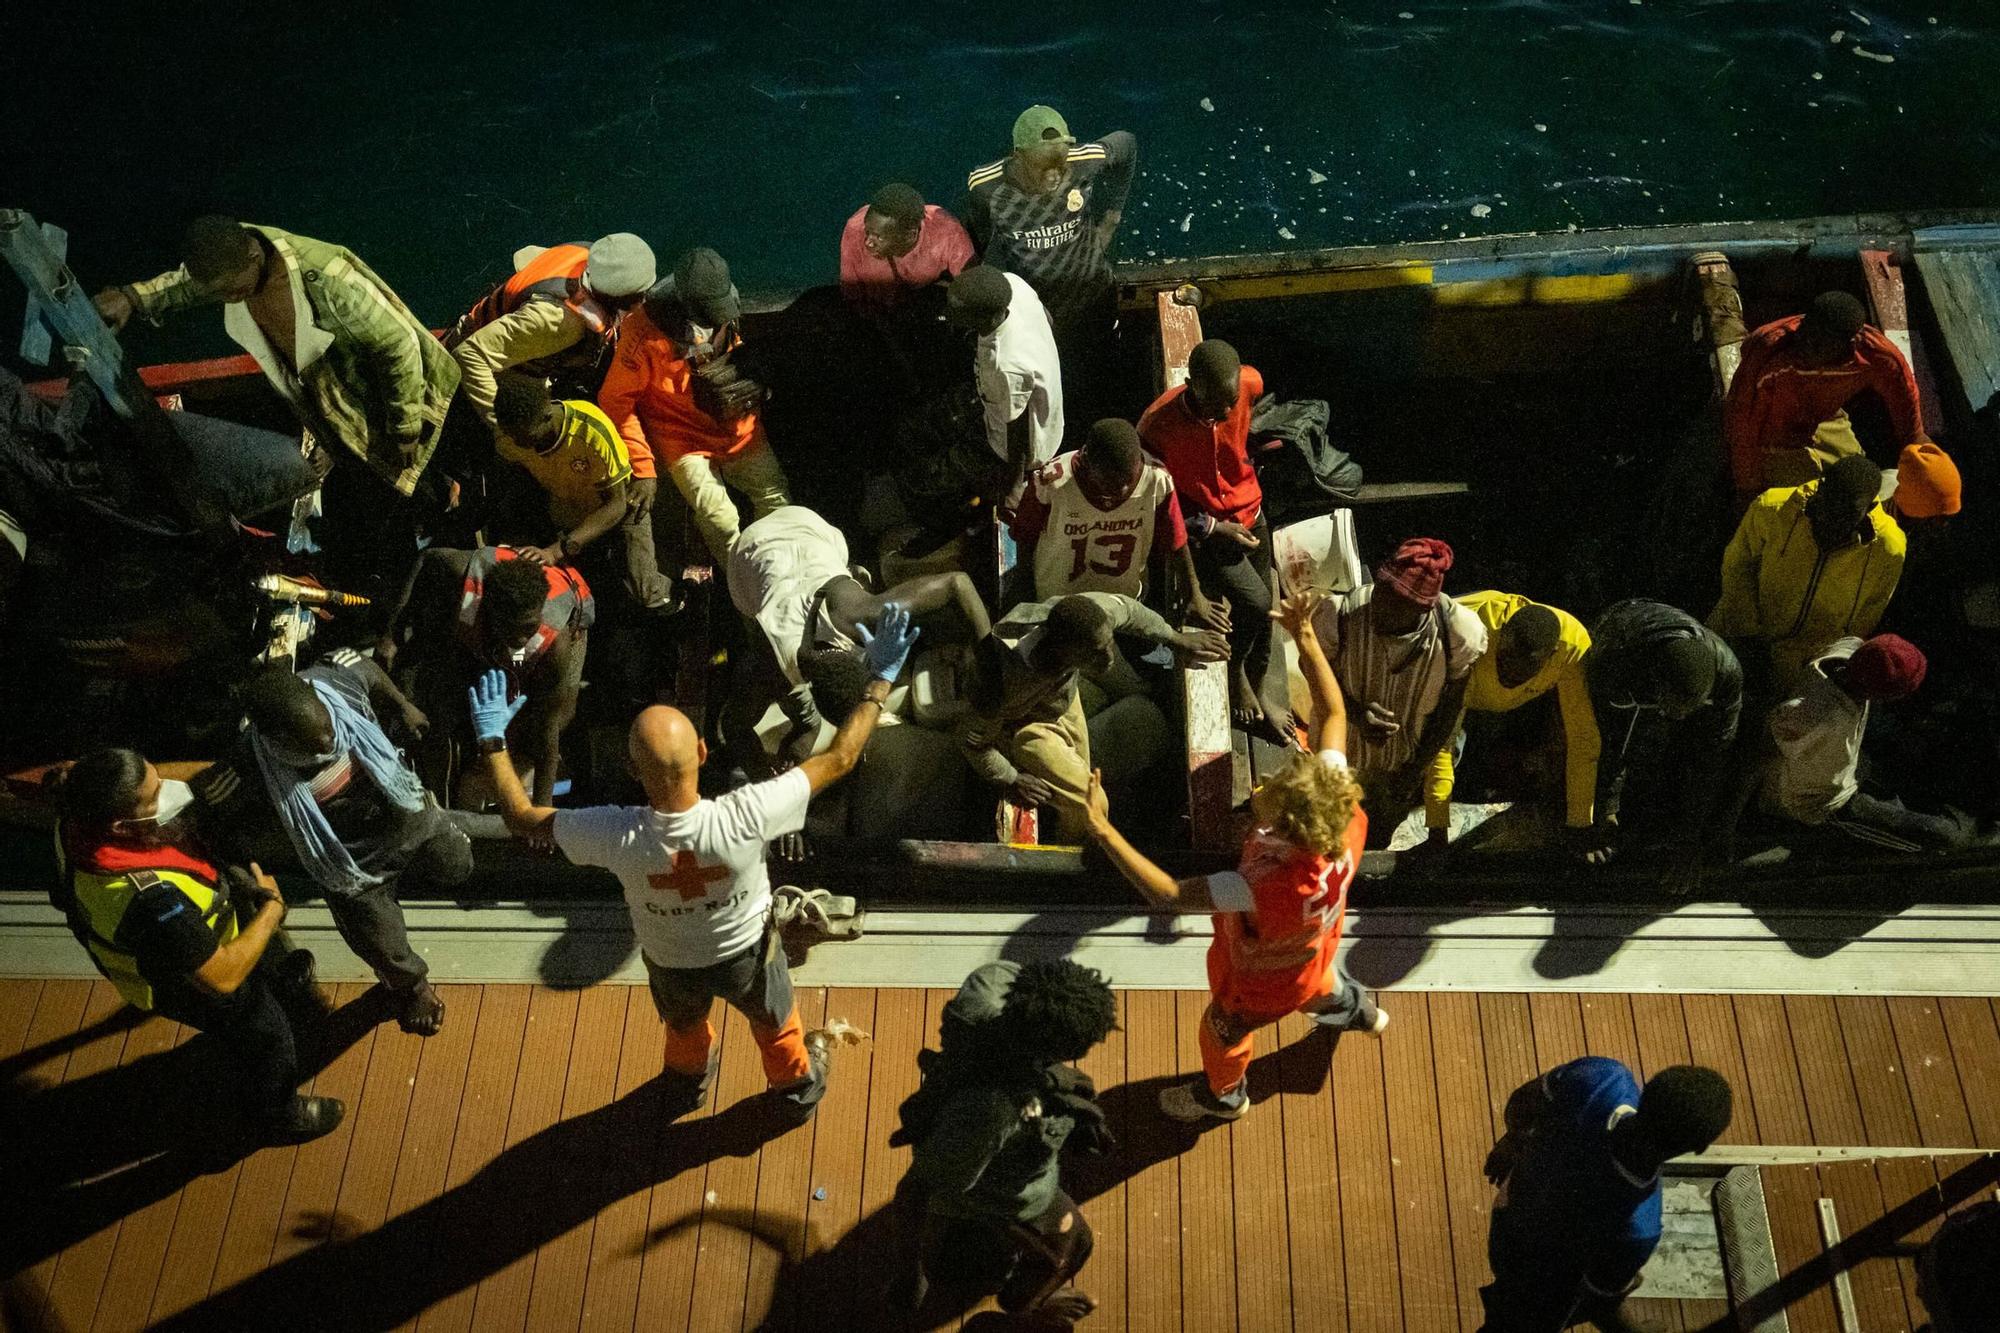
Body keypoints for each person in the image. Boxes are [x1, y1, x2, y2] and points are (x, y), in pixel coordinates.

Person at [468, 603, 922, 1117]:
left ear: (632, 769)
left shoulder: (614, 832)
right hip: (747, 957)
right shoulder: (749, 812)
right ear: (704, 753)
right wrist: (878, 680)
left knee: (683, 1028)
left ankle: (687, 1083)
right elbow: (839, 758)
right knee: (777, 1026)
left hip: (671, 962)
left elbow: (524, 817)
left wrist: (491, 739)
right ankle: (796, 1092)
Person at [1085, 590, 1388, 1123]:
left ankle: (1224, 1097)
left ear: (1285, 826)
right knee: (1322, 985)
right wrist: (1306, 635)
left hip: (1258, 987)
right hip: (1313, 952)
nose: (1269, 779)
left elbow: (1172, 895)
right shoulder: (1340, 811)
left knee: (1221, 1033)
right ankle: (1361, 1012)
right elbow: (1334, 711)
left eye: (1275, 786)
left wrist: (1103, 829)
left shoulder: (1264, 885)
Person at [50, 748, 344, 1142]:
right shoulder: (148, 899)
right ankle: (279, 1113)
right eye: (155, 796)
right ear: (121, 826)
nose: (168, 792)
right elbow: (222, 977)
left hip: (206, 937)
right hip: (188, 982)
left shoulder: (79, 813)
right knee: (267, 1034)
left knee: (260, 992)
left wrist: (211, 771)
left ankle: (273, 984)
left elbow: (156, 782)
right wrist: (272, 910)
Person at [93, 215, 459, 499]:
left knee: (429, 483)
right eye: (218, 293)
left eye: (231, 289)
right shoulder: (237, 264)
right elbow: (188, 285)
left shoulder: (329, 278)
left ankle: (452, 503)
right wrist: (133, 297)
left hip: (412, 407)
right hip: (344, 412)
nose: (227, 299)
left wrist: (406, 428)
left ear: (253, 255)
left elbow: (399, 347)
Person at [193, 656, 466, 1035]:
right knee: (380, 942)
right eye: (314, 744)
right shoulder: (249, 762)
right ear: (275, 739)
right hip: (352, 861)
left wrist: (402, 704)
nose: (329, 742)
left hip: (406, 814)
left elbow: (367, 669)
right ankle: (411, 987)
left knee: (455, 863)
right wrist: (242, 876)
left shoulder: (335, 681)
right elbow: (210, 815)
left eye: (327, 727)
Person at [888, 959, 1117, 1327]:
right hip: (1005, 1199)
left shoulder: (994, 980)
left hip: (969, 1142)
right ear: (1055, 1051)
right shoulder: (994, 1111)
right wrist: (910, 1275)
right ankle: (1024, 1307)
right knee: (1072, 1247)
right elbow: (920, 1189)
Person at [1480, 1058, 1733, 1332]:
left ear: (1645, 1091)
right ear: (1698, 1148)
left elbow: (1523, 1101)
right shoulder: (1638, 1229)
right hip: (1541, 1279)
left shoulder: (1602, 1080)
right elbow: (1597, 1300)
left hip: (1509, 1217)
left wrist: (1513, 1142)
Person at [959, 593, 1227, 843]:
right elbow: (970, 740)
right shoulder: (1002, 683)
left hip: (1062, 698)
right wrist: (1012, 778)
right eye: (1095, 653)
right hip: (1027, 728)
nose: (1108, 657)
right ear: (1062, 650)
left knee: (1130, 724)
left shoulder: (1088, 616)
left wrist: (1176, 638)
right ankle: (1067, 850)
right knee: (1092, 805)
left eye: (1108, 644)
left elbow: (1130, 610)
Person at [598, 247, 790, 564]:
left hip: (738, 428)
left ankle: (782, 569)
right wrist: (643, 467)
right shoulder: (642, 332)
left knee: (777, 497)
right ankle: (739, 581)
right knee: (720, 519)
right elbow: (615, 402)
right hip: (682, 438)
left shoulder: (725, 303)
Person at [1138, 339, 1281, 733]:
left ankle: (1258, 682)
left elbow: (1246, 394)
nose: (1223, 411)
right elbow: (1159, 498)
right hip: (1210, 527)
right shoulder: (1156, 426)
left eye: (1230, 401)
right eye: (1214, 401)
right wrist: (1215, 527)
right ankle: (1236, 675)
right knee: (1255, 602)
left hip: (1251, 508)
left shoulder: (1248, 383)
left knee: (1266, 611)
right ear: (1190, 384)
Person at [378, 545, 592, 807]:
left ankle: (523, 776)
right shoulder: (462, 576)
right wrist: (392, 634)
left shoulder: (556, 644)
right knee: (448, 696)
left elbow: (547, 732)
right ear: (489, 609)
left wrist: (541, 816)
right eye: (513, 628)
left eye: (528, 628)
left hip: (569, 622)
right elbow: (426, 557)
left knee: (556, 719)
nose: (522, 639)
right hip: (493, 631)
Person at [965, 105, 1135, 431]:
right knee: (1051, 380)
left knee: (1100, 371)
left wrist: (1111, 219)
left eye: (1060, 165)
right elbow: (985, 234)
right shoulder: (985, 186)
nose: (1056, 175)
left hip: (1092, 294)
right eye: (1044, 167)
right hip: (1041, 311)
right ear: (1018, 155)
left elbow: (1126, 145)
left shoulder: (1081, 159)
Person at [1310, 539, 1487, 850]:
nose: (1376, 606)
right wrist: (1355, 713)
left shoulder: (1458, 633)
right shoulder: (1339, 615)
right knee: (1329, 837)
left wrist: (1415, 770)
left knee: (1379, 835)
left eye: (1392, 605)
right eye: (1379, 592)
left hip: (1404, 764)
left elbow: (1451, 707)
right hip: (1342, 761)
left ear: (1421, 608)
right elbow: (1315, 674)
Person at [727, 504, 991, 692]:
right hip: (747, 562)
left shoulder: (870, 614)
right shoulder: (776, 664)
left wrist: (991, 667)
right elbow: (734, 724)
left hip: (801, 527)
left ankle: (852, 576)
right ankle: (850, 576)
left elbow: (959, 582)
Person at [1707, 453, 1906, 696]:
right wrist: (1747, 632)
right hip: (1737, 637)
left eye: (1848, 512)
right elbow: (1738, 567)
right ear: (1821, 487)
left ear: (1870, 508)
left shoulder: (1888, 548)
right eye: (1829, 503)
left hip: (1798, 671)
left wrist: (1821, 668)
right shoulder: (1773, 508)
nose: (1833, 517)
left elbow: (1864, 617)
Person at [1586, 600, 1744, 894]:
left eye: (1687, 709)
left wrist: (1690, 837)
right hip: (1617, 633)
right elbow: (1607, 743)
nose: (1680, 716)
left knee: (1681, 754)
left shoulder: (1727, 676)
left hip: (1662, 672)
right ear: (1657, 685)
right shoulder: (1617, 666)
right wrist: (1604, 812)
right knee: (1640, 749)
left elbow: (1710, 760)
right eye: (1673, 707)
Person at [1010, 420, 1224, 632]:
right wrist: (1024, 588)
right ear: (1087, 462)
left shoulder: (1156, 479)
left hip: (1122, 604)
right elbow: (1024, 536)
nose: (1122, 489)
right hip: (1060, 606)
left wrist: (1194, 592)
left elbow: (1175, 540)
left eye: (1128, 480)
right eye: (1111, 481)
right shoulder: (1051, 482)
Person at [1761, 634, 1969, 851]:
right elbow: (1762, 747)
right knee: (1944, 838)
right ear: (1883, 697)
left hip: (1843, 772)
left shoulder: (1846, 651)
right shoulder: (1820, 718)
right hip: (1820, 807)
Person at [491, 374, 677, 611]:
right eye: (512, 435)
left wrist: (557, 550)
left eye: (524, 436)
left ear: (546, 417)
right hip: (569, 508)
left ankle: (686, 590)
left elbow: (616, 504)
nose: (517, 443)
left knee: (644, 591)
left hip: (615, 508)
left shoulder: (590, 430)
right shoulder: (509, 436)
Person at [1724, 290, 1923, 502]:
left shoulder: (1877, 357)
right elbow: (1742, 423)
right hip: (1772, 436)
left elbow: (1907, 406)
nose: (1804, 346)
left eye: (1818, 344)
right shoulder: (1770, 352)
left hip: (1823, 420)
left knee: (1859, 483)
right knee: (1808, 502)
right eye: (1804, 333)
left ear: (1849, 345)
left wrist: (1917, 454)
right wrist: (1747, 488)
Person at [445, 232, 657, 429]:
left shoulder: (585, 254)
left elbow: (525, 258)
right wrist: (506, 427)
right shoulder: (561, 321)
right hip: (483, 376)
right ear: (613, 296)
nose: (644, 300)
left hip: (512, 338)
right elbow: (469, 355)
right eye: (638, 295)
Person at [1444, 591, 1601, 847]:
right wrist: (1436, 827)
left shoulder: (1572, 649)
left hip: (1507, 711)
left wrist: (1580, 822)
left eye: (1522, 672)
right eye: (1505, 663)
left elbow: (1583, 738)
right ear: (1499, 639)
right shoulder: (1467, 628)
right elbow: (1442, 740)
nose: (1509, 675)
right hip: (1453, 688)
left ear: (1552, 658)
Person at [943, 264, 1064, 513]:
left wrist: (1014, 485)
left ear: (983, 318)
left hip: (1022, 449)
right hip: (1033, 405)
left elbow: (1016, 429)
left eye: (956, 312)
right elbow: (1047, 317)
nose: (948, 314)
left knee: (944, 470)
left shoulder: (1003, 365)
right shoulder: (1012, 284)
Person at [838, 183, 976, 316]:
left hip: (931, 303)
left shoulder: (947, 233)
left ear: (911, 235)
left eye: (879, 238)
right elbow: (852, 295)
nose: (868, 243)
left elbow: (973, 288)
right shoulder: (855, 229)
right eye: (868, 232)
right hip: (880, 312)